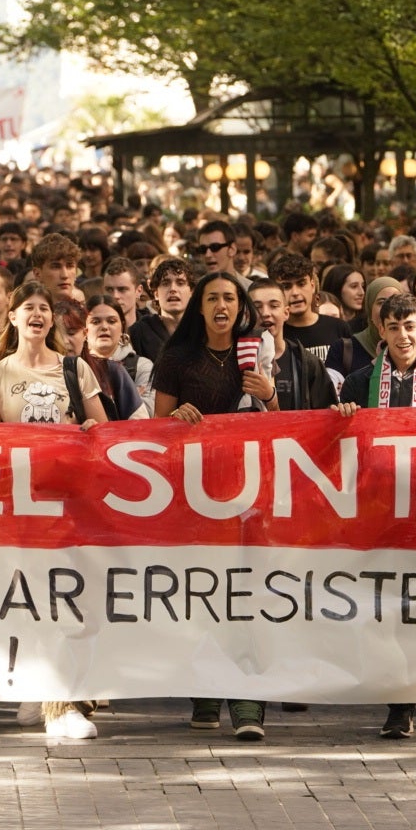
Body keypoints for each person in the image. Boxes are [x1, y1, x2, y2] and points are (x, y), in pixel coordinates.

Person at [0, 282, 107, 740]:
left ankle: (58, 702)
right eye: (27, 308)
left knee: (63, 597)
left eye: (44, 309)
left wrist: (89, 427)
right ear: (12, 318)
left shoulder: (76, 369)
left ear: (52, 320)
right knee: (32, 599)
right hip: (18, 507)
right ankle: (46, 697)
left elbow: (103, 433)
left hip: (67, 503)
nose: (37, 314)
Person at [332, 293, 416, 740]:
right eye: (394, 327)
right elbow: (338, 448)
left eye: (411, 326)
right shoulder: (359, 383)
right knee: (386, 609)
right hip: (380, 513)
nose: (403, 335)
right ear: (382, 331)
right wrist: (343, 419)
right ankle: (400, 704)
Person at [154, 272, 278, 740]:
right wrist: (176, 420)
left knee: (248, 593)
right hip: (195, 493)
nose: (222, 305)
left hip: (252, 495)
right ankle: (206, 691)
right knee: (205, 592)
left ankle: (248, 703)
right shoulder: (178, 357)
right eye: (213, 299)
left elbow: (286, 427)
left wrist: (268, 396)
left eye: (230, 297)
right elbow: (155, 428)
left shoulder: (256, 352)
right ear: (200, 308)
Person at [250, 278, 335, 411]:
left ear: (286, 313)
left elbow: (327, 414)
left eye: (274, 306)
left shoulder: (307, 362)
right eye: (257, 307)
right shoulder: (234, 360)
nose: (265, 313)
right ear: (246, 314)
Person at [269, 251, 352, 365]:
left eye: (301, 284)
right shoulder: (273, 334)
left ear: (312, 286)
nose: (295, 292)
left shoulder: (338, 327)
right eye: (286, 287)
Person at [85, 295, 154, 418]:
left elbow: (147, 416)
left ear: (122, 326)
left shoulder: (142, 366)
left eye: (111, 321)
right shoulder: (74, 367)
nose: (104, 327)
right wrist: (130, 398)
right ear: (84, 329)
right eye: (95, 322)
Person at [130, 257, 193, 363]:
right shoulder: (140, 331)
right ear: (156, 294)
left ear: (191, 292)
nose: (173, 289)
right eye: (166, 283)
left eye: (180, 283)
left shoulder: (204, 330)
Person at [321, 264, 366, 328]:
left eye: (363, 286)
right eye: (354, 286)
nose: (362, 292)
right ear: (337, 288)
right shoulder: (322, 323)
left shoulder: (367, 325)